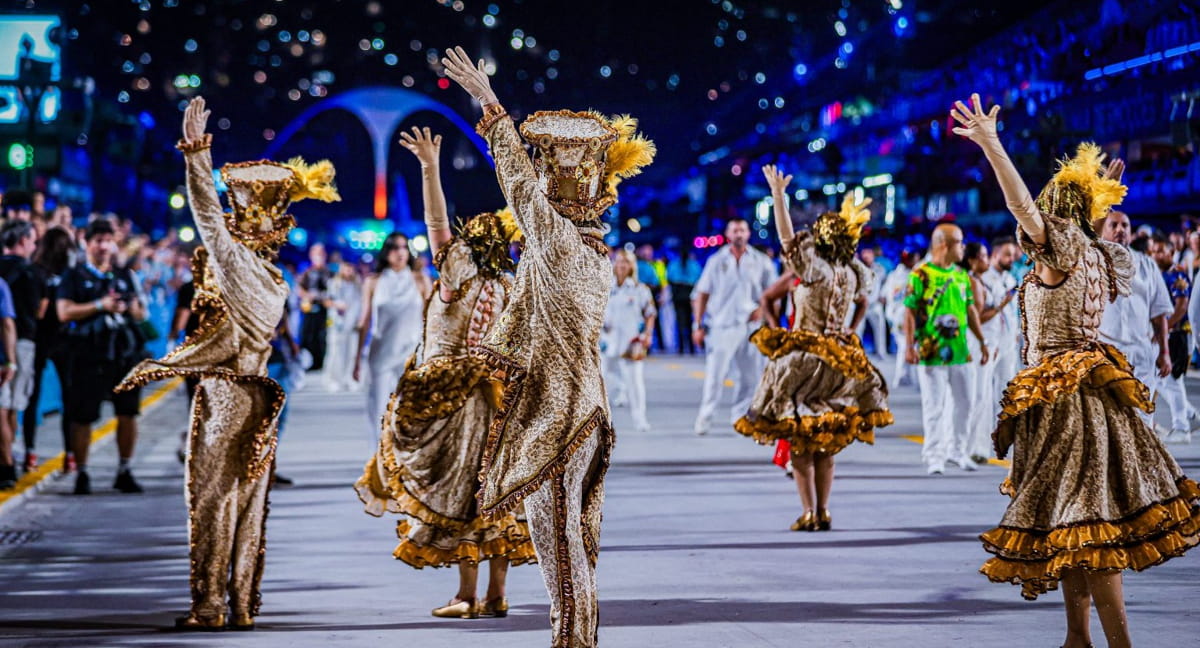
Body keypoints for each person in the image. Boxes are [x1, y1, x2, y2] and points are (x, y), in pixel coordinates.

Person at [953, 94, 1199, 648]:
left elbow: (1022, 208)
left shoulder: (1061, 247)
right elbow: (1080, 222)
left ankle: (1114, 643)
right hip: (1088, 390)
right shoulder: (1099, 253)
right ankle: (1077, 638)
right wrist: (1103, 197)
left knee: (1086, 517)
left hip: (1066, 399)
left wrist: (993, 146)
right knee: (1075, 524)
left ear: (1057, 211)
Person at [443, 45, 655, 648]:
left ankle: (573, 643)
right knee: (571, 542)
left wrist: (489, 105)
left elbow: (518, 189)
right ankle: (577, 638)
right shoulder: (594, 254)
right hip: (581, 409)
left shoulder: (560, 244)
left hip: (557, 416)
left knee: (559, 542)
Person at [116, 97, 340, 630]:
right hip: (261, 395)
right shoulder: (278, 283)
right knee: (249, 500)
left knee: (213, 500)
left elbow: (208, 223)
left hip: (225, 397)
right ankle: (241, 603)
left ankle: (209, 604)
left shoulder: (239, 271)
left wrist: (196, 154)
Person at [357, 126, 536, 619]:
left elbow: (435, 221)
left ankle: (466, 595)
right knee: (500, 493)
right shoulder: (507, 283)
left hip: (459, 399)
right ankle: (497, 594)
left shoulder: (459, 276)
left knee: (462, 493)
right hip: (505, 396)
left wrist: (429, 167)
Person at [737, 167, 892, 531]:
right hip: (841, 358)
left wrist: (778, 195)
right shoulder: (852, 271)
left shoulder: (814, 268)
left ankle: (809, 511)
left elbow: (787, 236)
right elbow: (862, 302)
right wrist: (850, 330)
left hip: (805, 359)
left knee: (803, 441)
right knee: (828, 440)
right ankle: (824, 509)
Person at [57, 219, 148, 495]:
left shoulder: (125, 275)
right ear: (87, 242)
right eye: (98, 240)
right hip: (88, 353)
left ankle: (124, 469)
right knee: (83, 416)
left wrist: (129, 308)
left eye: (108, 240)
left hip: (123, 353)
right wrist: (100, 305)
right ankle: (82, 472)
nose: (104, 246)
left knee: (128, 412)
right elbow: (64, 311)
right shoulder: (73, 275)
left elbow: (143, 313)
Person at [904, 223, 990, 475]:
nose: (963, 248)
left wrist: (982, 341)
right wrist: (910, 345)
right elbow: (909, 311)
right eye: (959, 242)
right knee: (935, 405)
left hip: (961, 350)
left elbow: (970, 310)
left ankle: (958, 450)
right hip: (932, 351)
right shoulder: (921, 275)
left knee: (966, 403)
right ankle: (934, 455)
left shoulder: (962, 275)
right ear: (944, 244)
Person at [691, 217, 778, 435]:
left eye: (742, 230)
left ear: (748, 234)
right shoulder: (716, 260)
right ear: (728, 235)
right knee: (715, 375)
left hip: (751, 326)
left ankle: (740, 416)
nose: (738, 234)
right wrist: (698, 325)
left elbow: (774, 292)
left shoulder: (760, 261)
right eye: (734, 231)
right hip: (722, 326)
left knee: (750, 376)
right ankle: (705, 416)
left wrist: (764, 312)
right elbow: (702, 294)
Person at [352, 232, 429, 448]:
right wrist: (357, 359)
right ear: (387, 252)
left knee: (412, 411)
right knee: (378, 410)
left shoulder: (420, 280)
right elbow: (364, 322)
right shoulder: (373, 282)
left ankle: (406, 462)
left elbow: (432, 320)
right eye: (395, 247)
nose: (400, 252)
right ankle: (379, 463)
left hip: (412, 355)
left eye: (404, 247)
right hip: (380, 353)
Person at [1097, 211, 1172, 426]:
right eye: (1114, 225)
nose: (1120, 230)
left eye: (1125, 226)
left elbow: (1159, 314)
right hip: (1106, 350)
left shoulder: (1147, 265)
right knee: (1109, 417)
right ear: (1103, 230)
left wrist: (1165, 353)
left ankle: (1141, 460)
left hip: (1141, 350)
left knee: (1142, 415)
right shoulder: (1094, 262)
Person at [22, 227, 73, 473]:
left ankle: (30, 452)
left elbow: (36, 311)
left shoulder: (36, 271)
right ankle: (70, 454)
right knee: (68, 398)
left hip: (40, 338)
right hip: (63, 339)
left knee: (33, 398)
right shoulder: (69, 273)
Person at [970, 236, 1020, 463]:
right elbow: (980, 314)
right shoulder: (983, 279)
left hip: (1008, 343)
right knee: (982, 395)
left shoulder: (1009, 279)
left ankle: (1004, 444)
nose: (1012, 258)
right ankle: (977, 446)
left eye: (1013, 254)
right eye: (1007, 254)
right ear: (995, 255)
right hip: (987, 343)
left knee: (1006, 394)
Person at [0, 220, 42, 478]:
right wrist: (12, 360)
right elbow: (39, 311)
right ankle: (8, 461)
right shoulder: (31, 272)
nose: (34, 246)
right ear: (23, 241)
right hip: (19, 346)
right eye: (33, 241)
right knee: (11, 407)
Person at [601, 249, 657, 432]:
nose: (621, 265)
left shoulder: (640, 289)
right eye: (618, 261)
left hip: (631, 341)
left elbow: (650, 314)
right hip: (607, 340)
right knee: (601, 380)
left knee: (635, 382)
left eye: (625, 262)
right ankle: (599, 422)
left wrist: (647, 335)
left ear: (631, 265)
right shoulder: (605, 287)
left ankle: (640, 418)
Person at [1149, 233, 1197, 442]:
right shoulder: (1156, 274)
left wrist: (1165, 328)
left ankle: (1182, 427)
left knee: (1173, 381)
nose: (1156, 255)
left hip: (1177, 334)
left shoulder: (1176, 275)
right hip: (1165, 334)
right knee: (1160, 380)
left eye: (1161, 251)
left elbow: (1182, 305)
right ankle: (1189, 414)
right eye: (1154, 251)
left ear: (1172, 252)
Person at [882, 250, 918, 386]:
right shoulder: (913, 276)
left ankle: (905, 376)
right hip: (902, 315)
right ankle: (902, 377)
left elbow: (884, 296)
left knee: (904, 345)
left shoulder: (892, 275)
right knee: (905, 345)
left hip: (894, 314)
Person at [324, 261, 361, 393]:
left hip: (353, 324)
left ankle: (349, 379)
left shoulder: (358, 285)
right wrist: (337, 305)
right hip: (337, 324)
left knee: (352, 352)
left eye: (351, 269)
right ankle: (333, 380)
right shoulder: (334, 284)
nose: (348, 271)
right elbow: (327, 301)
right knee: (335, 353)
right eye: (346, 268)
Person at [297, 243, 332, 371]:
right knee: (308, 335)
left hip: (325, 310)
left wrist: (323, 298)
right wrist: (307, 295)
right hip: (309, 309)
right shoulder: (307, 272)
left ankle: (322, 362)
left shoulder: (329, 273)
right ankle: (308, 362)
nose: (319, 257)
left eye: (321, 254)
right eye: (316, 254)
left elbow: (333, 291)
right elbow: (299, 289)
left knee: (323, 336)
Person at [854, 247, 889, 358]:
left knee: (880, 329)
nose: (867, 259)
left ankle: (881, 352)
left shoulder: (880, 269)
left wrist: (883, 295)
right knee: (858, 330)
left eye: (869, 257)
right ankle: (857, 352)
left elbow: (887, 283)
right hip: (860, 304)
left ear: (873, 257)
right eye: (865, 257)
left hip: (875, 304)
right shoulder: (858, 269)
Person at [666, 247, 702, 354]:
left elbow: (669, 278)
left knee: (681, 321)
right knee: (690, 320)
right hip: (689, 294)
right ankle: (690, 348)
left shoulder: (674, 264)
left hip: (679, 294)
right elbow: (699, 279)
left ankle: (682, 347)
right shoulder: (694, 265)